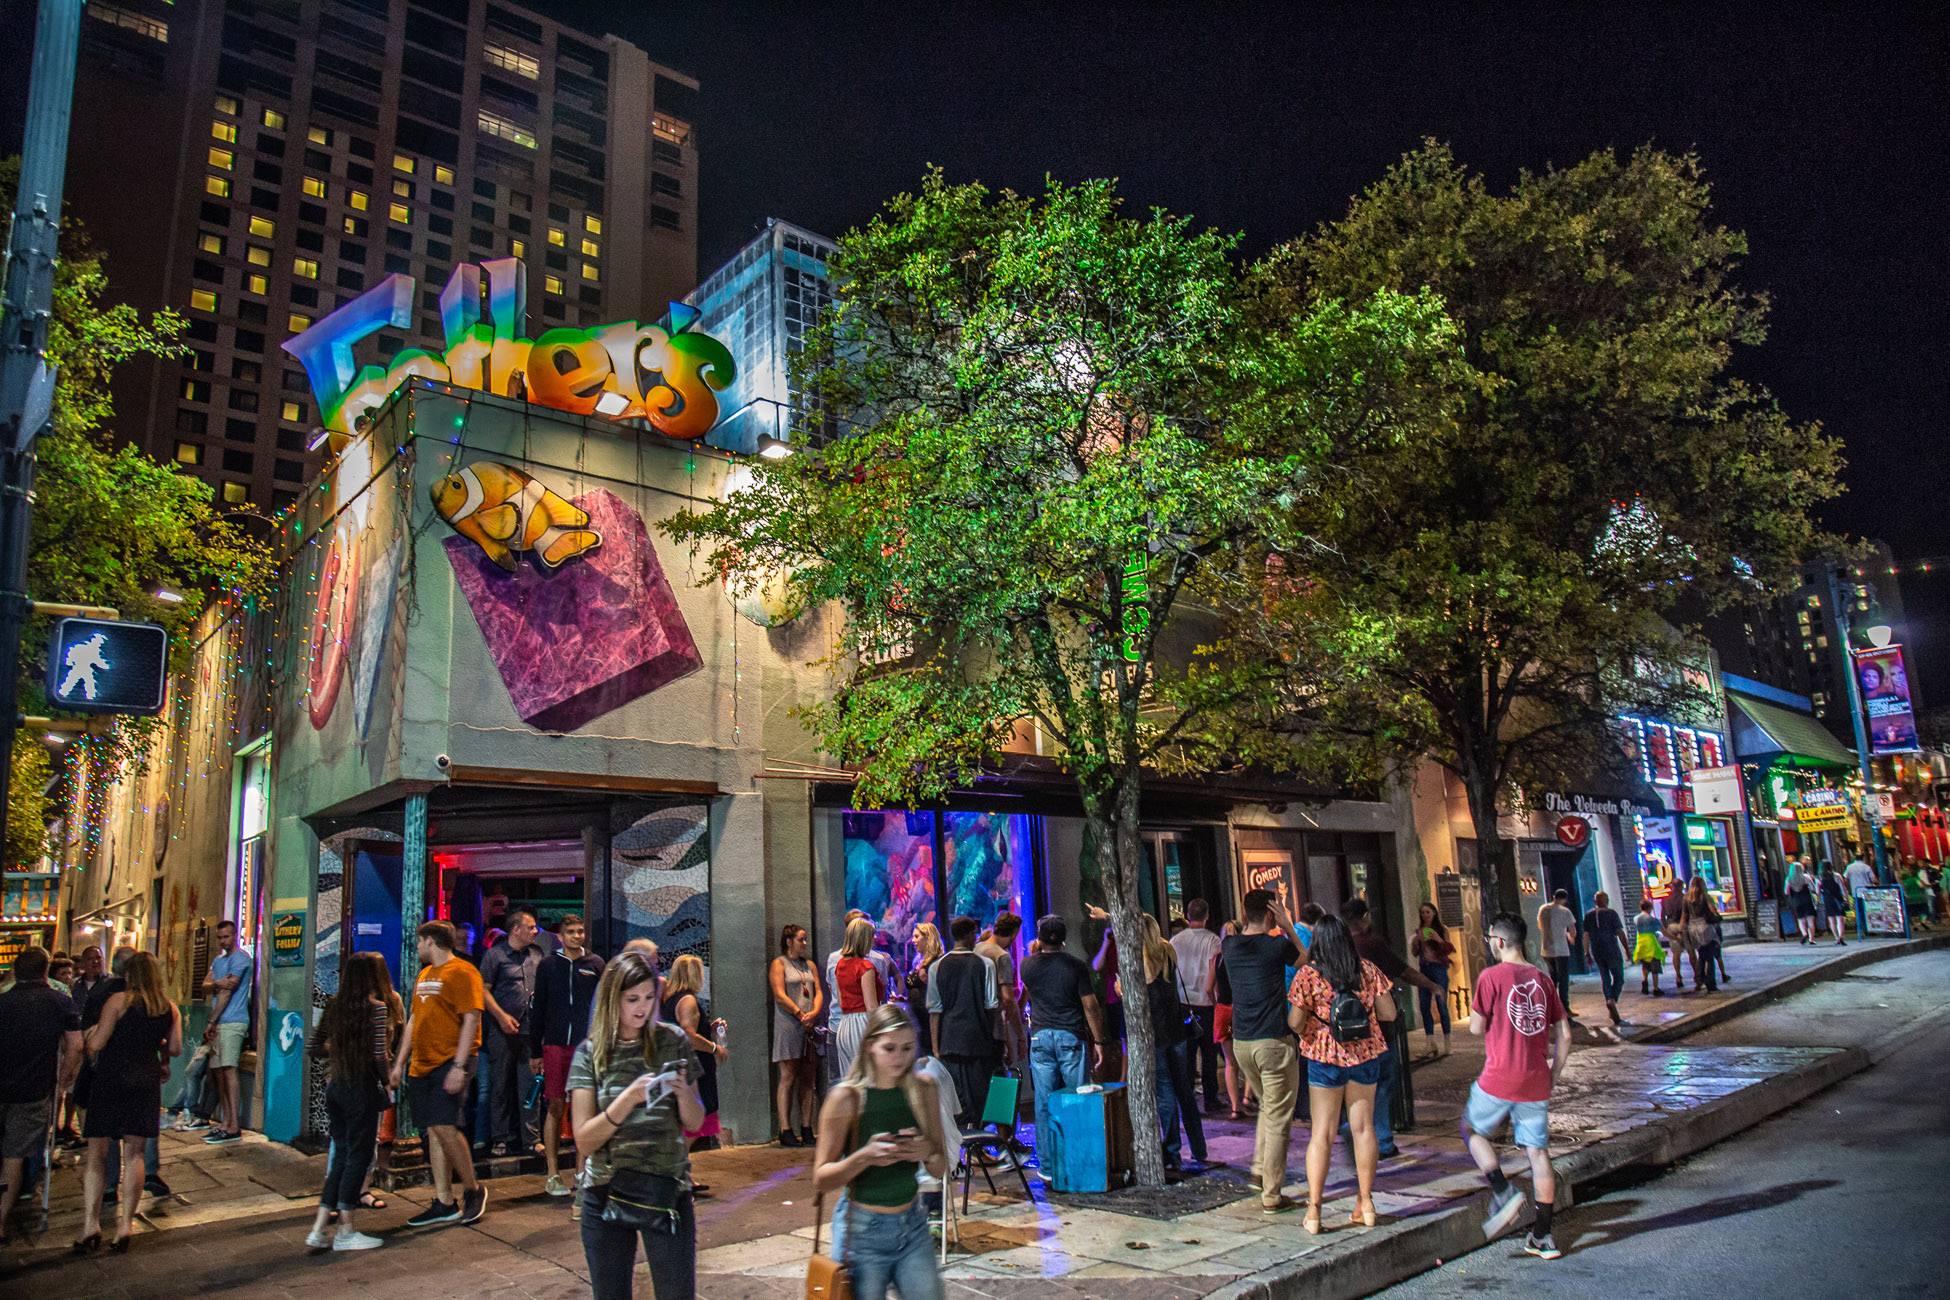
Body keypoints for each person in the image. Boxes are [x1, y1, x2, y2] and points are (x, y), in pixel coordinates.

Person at [570, 950, 706, 1300]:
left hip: (666, 1185)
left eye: (648, 997)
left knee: (677, 1291)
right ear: (612, 998)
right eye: (632, 999)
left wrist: (681, 1093)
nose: (641, 1008)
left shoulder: (671, 1039)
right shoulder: (591, 1053)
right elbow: (584, 1141)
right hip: (606, 1187)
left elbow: (695, 1121)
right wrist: (627, 1099)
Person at [813, 1002, 949, 1300]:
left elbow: (939, 1168)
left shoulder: (923, 1088)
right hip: (862, 1232)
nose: (899, 1058)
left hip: (912, 1223)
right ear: (871, 1046)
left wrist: (925, 1151)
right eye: (890, 1048)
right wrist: (865, 1156)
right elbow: (821, 1179)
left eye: (907, 1048)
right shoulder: (847, 1098)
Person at [1464, 912, 1572, 1261]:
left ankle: (1503, 1192)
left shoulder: (1490, 977)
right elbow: (1566, 1035)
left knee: (1472, 1130)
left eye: (1490, 939)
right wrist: (1553, 1074)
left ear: (1498, 941)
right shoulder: (1544, 979)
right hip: (1536, 1079)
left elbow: (1476, 1029)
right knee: (1538, 1154)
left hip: (1499, 1076)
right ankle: (1543, 1235)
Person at [1287, 915, 1395, 1235]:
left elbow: (1294, 1021)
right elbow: (1388, 1012)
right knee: (1363, 1129)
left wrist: (1313, 1029)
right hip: (1364, 1057)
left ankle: (1314, 1212)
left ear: (1318, 941)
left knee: (1322, 1133)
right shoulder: (1367, 970)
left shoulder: (1309, 975)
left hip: (1323, 1059)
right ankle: (1366, 1203)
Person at [77, 951, 181, 1254]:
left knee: (97, 1154)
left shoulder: (117, 1002)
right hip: (145, 1080)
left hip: (111, 1078)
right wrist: (154, 1042)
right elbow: (174, 1049)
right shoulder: (168, 1007)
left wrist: (90, 1035)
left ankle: (90, 1224)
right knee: (134, 1154)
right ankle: (125, 1226)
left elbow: (97, 1043)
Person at [391, 920, 488, 1228]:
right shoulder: (424, 975)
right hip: (423, 1063)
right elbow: (414, 1020)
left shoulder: (463, 972)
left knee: (444, 1126)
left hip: (451, 1061)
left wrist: (459, 1066)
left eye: (419, 942)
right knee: (434, 1130)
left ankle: (473, 1189)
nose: (417, 947)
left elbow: (471, 1017)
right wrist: (399, 1064)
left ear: (430, 941)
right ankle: (444, 1200)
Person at [304, 951, 394, 1252]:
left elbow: (313, 1047)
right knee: (357, 1157)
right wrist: (387, 1081)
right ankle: (346, 1229)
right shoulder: (377, 1009)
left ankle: (319, 1228)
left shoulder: (333, 1006)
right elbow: (379, 1054)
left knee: (340, 1155)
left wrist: (339, 1047)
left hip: (336, 1088)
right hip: (362, 1088)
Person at [1224, 889, 1302, 1211]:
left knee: (1269, 1107)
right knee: (1279, 1118)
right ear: (1271, 913)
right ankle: (1272, 1194)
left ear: (1244, 913)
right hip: (1273, 1041)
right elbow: (1307, 960)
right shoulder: (1276, 945)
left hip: (1243, 1044)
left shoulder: (1229, 946)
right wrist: (1288, 926)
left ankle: (1258, 1169)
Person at [1341, 898, 1437, 1160]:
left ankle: (1354, 1127)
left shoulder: (1338, 947)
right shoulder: (1371, 947)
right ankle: (1381, 1140)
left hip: (1345, 1031)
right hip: (1378, 1030)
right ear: (1365, 917)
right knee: (1382, 1082)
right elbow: (1402, 972)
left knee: (1357, 1083)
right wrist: (1431, 985)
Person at [0, 947, 82, 1246]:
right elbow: (76, 1044)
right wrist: (63, 1080)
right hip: (33, 1090)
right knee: (14, 1156)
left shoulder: (3, 1002)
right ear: (45, 972)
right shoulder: (60, 1002)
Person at [1018, 914, 1105, 1183]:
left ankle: (1047, 1166)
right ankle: (1078, 1160)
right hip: (1070, 1035)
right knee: (1077, 1099)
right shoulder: (1076, 967)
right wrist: (1100, 1041)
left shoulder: (1027, 966)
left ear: (1040, 938)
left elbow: (1027, 996)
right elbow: (1090, 1006)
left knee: (1044, 1103)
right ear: (1064, 938)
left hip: (1041, 1037)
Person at [530, 913, 606, 1198]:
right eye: (571, 932)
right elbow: (539, 1009)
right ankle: (552, 1173)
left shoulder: (596, 964)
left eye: (581, 931)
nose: (577, 936)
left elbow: (603, 1004)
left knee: (584, 1108)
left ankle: (581, 1170)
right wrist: (535, 1049)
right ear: (560, 936)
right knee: (555, 1106)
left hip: (586, 1046)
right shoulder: (548, 965)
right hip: (555, 1044)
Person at [1143, 914, 1207, 1174]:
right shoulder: (1167, 949)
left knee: (1165, 1091)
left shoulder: (1142, 958)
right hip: (1176, 1028)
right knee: (1185, 1090)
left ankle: (1172, 1151)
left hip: (1156, 1032)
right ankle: (1199, 1148)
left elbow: (1143, 991)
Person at [478, 907, 543, 1158]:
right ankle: (500, 1139)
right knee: (500, 1086)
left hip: (529, 1031)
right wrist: (501, 1016)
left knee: (530, 1086)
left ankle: (531, 1139)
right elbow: (483, 991)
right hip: (501, 1031)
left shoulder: (536, 955)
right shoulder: (494, 955)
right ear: (516, 929)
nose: (535, 931)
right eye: (531, 927)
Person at [926, 915, 999, 1134]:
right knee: (981, 1095)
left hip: (949, 1041)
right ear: (970, 935)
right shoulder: (984, 964)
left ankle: (965, 1146)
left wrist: (936, 1048)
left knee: (958, 1099)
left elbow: (935, 1011)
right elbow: (991, 1005)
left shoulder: (937, 967)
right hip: (979, 1040)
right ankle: (979, 1142)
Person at [663, 954, 726, 1156]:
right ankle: (678, 1170)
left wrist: (709, 1028)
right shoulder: (688, 1000)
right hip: (696, 1069)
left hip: (679, 1065)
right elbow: (688, 1036)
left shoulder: (671, 1000)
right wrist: (715, 1048)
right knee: (697, 1120)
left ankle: (683, 1172)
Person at [199, 919, 253, 1144]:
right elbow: (205, 985)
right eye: (220, 937)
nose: (223, 941)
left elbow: (227, 992)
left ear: (235, 936)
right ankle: (224, 1122)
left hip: (232, 1020)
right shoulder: (218, 961)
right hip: (220, 1022)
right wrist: (217, 983)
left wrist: (212, 1020)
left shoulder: (241, 959)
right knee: (219, 1072)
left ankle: (233, 1125)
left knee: (229, 1069)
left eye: (227, 937)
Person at [770, 924, 824, 1148]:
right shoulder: (779, 964)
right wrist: (799, 1014)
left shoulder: (809, 965)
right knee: (788, 1075)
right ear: (789, 941)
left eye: (805, 940)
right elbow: (779, 994)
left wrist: (815, 1012)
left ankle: (806, 1126)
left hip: (808, 1026)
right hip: (788, 1025)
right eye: (801, 940)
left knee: (808, 1078)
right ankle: (785, 1129)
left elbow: (818, 991)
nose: (804, 944)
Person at [1169, 899, 1223, 1110]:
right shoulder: (1213, 941)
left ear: (1188, 915)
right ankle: (1211, 1098)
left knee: (1188, 1055)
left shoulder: (1175, 941)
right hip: (1206, 1002)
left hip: (1183, 1002)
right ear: (1207, 915)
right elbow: (1214, 973)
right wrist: (1215, 1000)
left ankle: (1188, 1098)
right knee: (1209, 1053)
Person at [832, 918, 884, 1081]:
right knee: (868, 1077)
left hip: (845, 1026)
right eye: (872, 935)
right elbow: (871, 1007)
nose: (875, 938)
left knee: (850, 1079)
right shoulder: (865, 967)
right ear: (863, 938)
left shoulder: (840, 964)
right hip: (863, 1024)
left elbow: (841, 1002)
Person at [975, 913, 1025, 1068]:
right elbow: (1007, 1000)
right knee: (997, 1079)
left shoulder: (977, 948)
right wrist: (1020, 1037)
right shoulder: (1002, 956)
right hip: (993, 1031)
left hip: (975, 1027)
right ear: (1014, 933)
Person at [1085, 904, 1125, 1084]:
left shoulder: (1129, 942)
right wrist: (1106, 941)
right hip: (1113, 996)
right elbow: (1096, 965)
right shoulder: (1110, 941)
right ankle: (1122, 1077)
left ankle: (1124, 1079)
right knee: (1120, 1039)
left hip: (1125, 994)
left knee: (1126, 1040)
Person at [1409, 903, 1456, 1056]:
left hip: (1439, 969)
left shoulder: (1442, 929)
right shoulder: (1419, 931)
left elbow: (1449, 950)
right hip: (1425, 969)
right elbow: (1415, 953)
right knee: (1424, 1005)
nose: (1425, 915)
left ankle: (1447, 1042)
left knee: (1442, 1006)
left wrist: (1438, 939)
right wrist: (1416, 941)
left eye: (1428, 912)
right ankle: (1430, 1041)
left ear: (1434, 913)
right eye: (1422, 912)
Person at [1580, 891, 1629, 1026]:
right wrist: (1627, 949)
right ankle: (1612, 1000)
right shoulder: (1611, 914)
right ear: (1605, 900)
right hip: (1611, 948)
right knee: (1618, 976)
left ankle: (1609, 1001)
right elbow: (1619, 932)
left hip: (1597, 950)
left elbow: (1585, 935)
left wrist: (1587, 953)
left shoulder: (1588, 915)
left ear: (1595, 901)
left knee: (1605, 977)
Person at [1534, 890, 1577, 1013]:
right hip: (1561, 950)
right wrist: (1569, 936)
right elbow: (1573, 931)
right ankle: (1565, 1007)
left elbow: (1540, 926)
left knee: (1553, 979)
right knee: (1563, 980)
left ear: (1554, 897)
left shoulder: (1543, 909)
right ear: (1565, 899)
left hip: (1546, 950)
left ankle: (1552, 1006)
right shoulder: (1565, 911)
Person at [905, 922, 944, 1059]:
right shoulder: (917, 962)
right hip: (916, 1018)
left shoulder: (936, 963)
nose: (913, 941)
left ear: (928, 938)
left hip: (929, 1019)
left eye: (916, 937)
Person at [1632, 899, 1667, 995]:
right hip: (1651, 943)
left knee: (1645, 965)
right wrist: (1674, 937)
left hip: (1640, 943)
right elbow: (1662, 930)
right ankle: (1656, 988)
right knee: (1655, 966)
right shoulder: (1652, 919)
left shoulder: (1636, 918)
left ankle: (1644, 979)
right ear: (1650, 908)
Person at [1785, 857, 1819, 945]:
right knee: (1810, 920)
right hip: (1807, 900)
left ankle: (1804, 934)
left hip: (1796, 901)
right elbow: (1813, 888)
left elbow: (1786, 891)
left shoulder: (1789, 879)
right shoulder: (1806, 877)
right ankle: (1811, 939)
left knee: (1801, 920)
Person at [1819, 864, 1849, 945]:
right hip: (1838, 899)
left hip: (1827, 900)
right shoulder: (1837, 876)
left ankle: (1837, 938)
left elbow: (1817, 892)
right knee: (1840, 920)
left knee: (1832, 921)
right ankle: (1841, 936)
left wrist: (1819, 900)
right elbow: (1843, 888)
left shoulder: (1819, 878)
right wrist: (1846, 898)